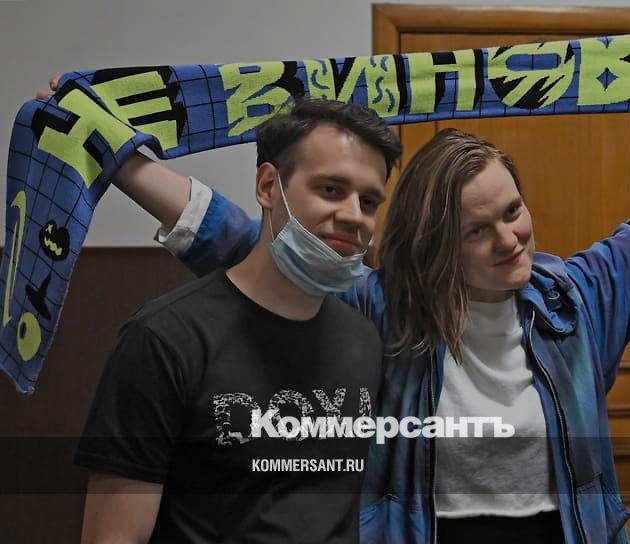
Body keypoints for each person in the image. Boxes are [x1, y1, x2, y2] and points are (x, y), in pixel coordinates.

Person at [42, 82, 630, 542]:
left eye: (513, 211)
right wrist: (114, 153)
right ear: (438, 247)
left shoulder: (579, 296)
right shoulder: (382, 308)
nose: (510, 239)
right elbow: (238, 237)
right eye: (477, 231)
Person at [73, 97, 403, 543]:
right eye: (330, 190)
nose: (353, 216)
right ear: (268, 187)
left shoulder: (363, 341)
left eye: (368, 201)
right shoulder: (165, 340)